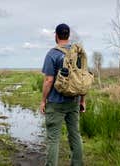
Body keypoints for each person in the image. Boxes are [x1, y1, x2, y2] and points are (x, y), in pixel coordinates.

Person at [40, 23, 85, 166]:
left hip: (55, 103)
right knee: (75, 136)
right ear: (68, 35)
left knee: (54, 139)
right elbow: (82, 80)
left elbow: (48, 80)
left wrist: (43, 101)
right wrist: (82, 100)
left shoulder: (52, 54)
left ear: (56, 35)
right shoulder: (77, 53)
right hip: (74, 101)